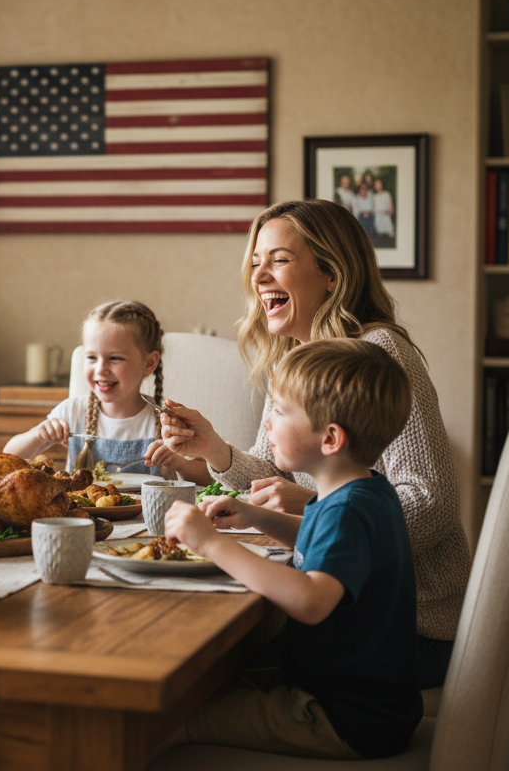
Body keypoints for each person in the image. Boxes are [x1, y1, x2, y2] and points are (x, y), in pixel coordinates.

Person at [160, 199, 470, 689]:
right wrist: (214, 449)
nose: (259, 277)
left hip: (408, 629)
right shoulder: (297, 359)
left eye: (279, 260)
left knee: (199, 678)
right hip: (344, 610)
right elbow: (273, 473)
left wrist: (314, 503)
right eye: (256, 262)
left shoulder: (380, 354)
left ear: (332, 273)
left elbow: (431, 506)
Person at [159, 338, 421, 760]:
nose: (267, 423)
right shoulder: (365, 492)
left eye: (279, 411)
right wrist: (257, 517)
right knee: (200, 686)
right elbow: (327, 547)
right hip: (358, 702)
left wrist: (209, 544)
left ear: (331, 438)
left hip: (338, 716)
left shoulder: (348, 510)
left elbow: (311, 600)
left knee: (171, 718)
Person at [3, 301, 197, 477]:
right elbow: (7, 459)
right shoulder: (72, 412)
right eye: (92, 358)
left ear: (149, 362)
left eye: (115, 358)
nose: (100, 369)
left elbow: (208, 479)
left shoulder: (167, 421)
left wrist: (180, 464)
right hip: (84, 516)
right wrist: (37, 435)